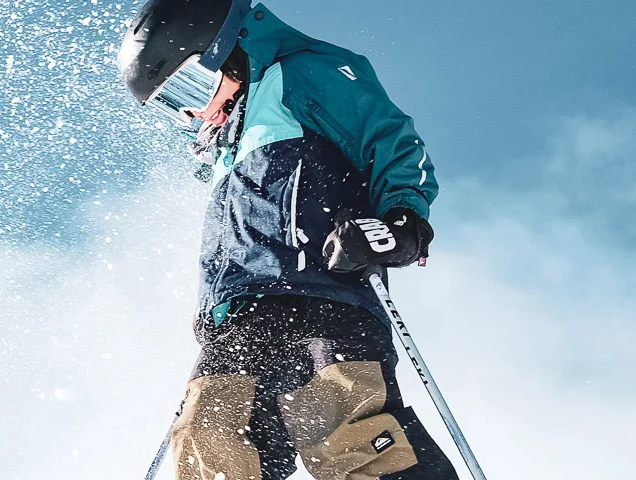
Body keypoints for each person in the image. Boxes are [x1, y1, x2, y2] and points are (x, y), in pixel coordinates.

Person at [117, 1, 459, 479]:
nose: (193, 110)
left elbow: (391, 140)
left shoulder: (301, 72)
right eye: (173, 104)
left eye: (188, 85)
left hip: (325, 293)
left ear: (222, 50)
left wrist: (402, 224)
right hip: (240, 316)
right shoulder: (223, 142)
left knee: (349, 430)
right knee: (209, 439)